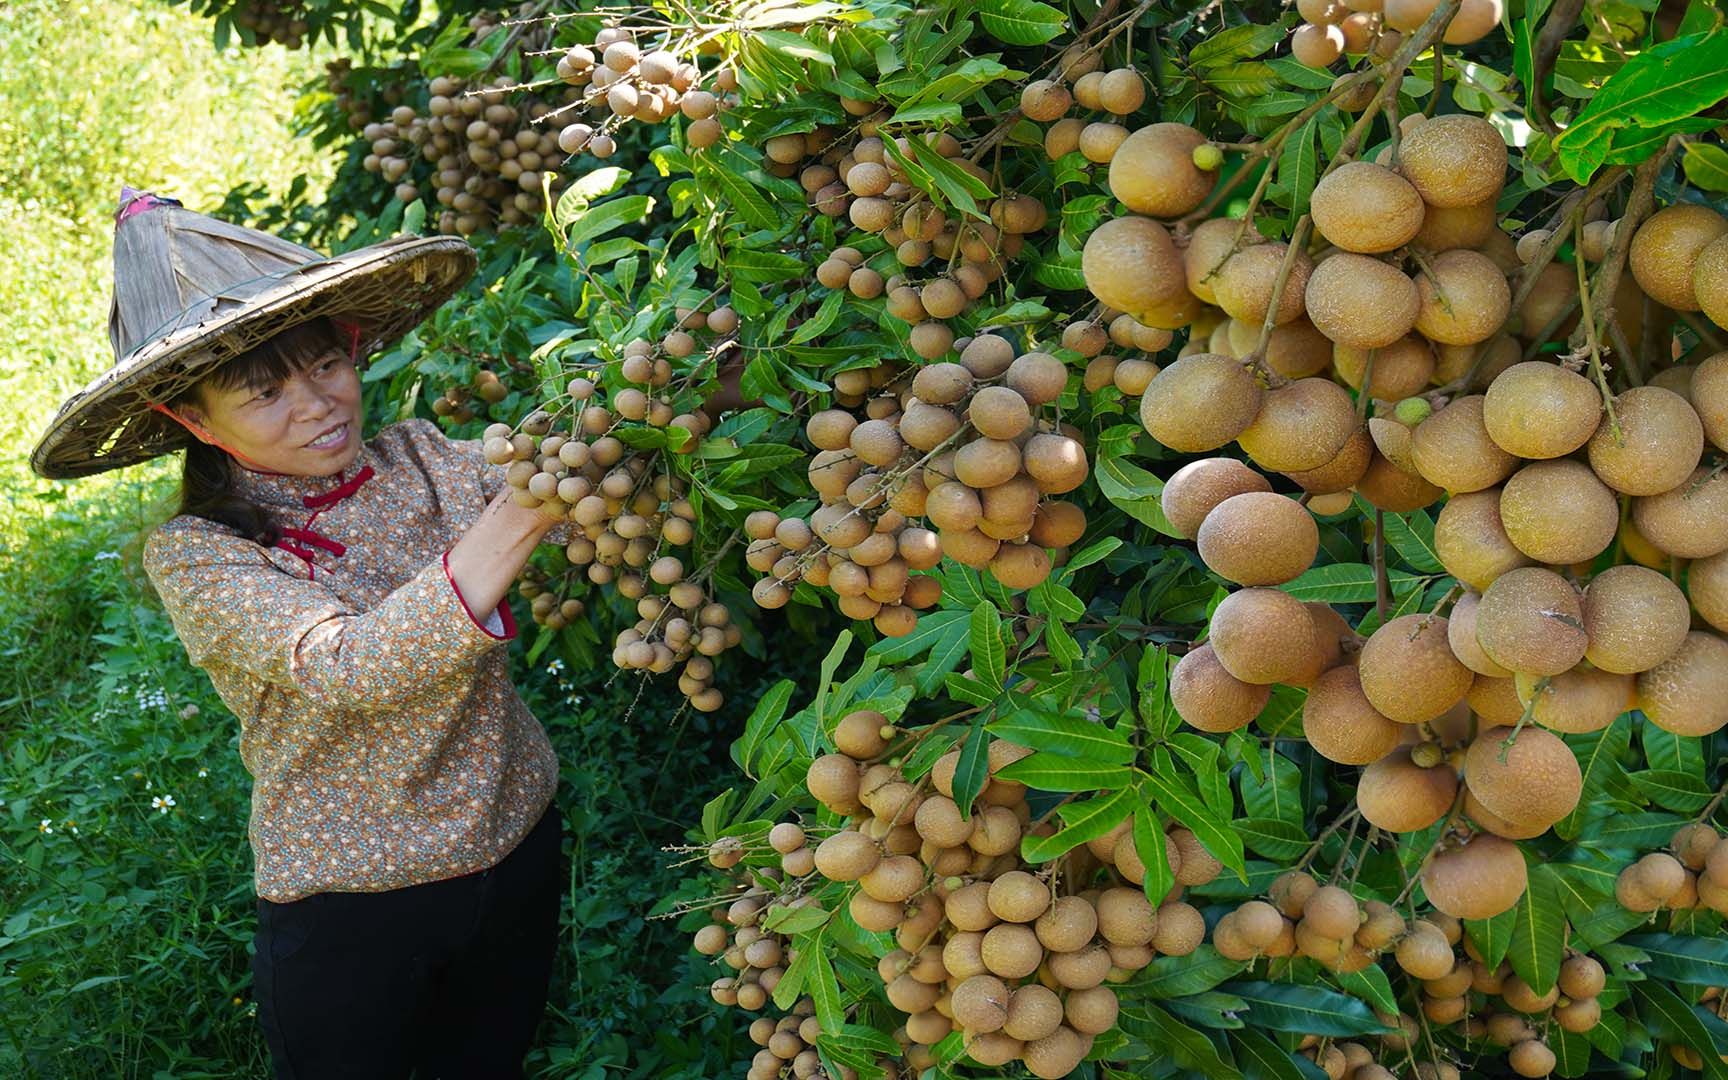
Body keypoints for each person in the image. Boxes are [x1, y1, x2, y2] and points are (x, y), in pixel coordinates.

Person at [29, 187, 570, 1079]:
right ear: (195, 422)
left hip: (515, 842)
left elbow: (567, 466)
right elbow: (347, 664)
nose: (318, 405)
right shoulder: (198, 555)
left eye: (326, 365)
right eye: (265, 391)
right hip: (354, 903)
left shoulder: (423, 455)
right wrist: (525, 511)